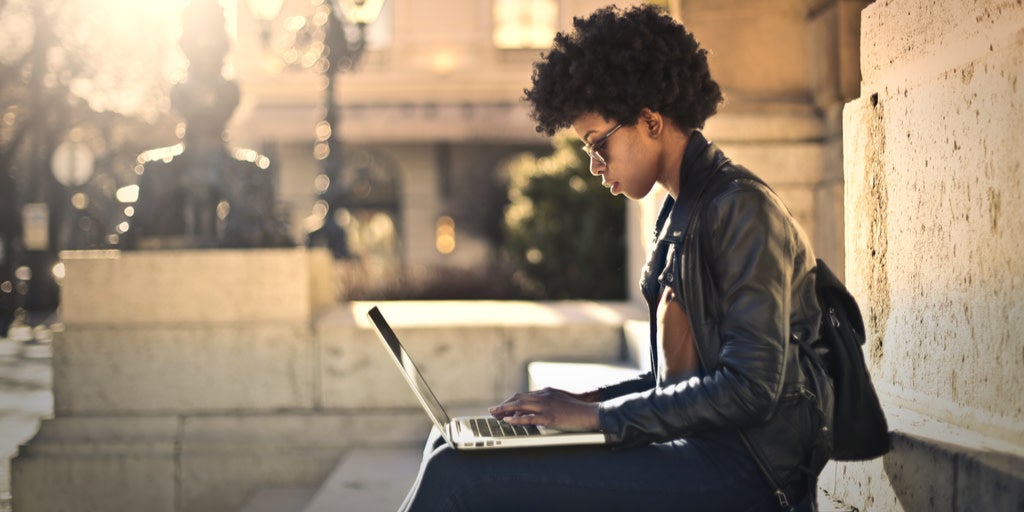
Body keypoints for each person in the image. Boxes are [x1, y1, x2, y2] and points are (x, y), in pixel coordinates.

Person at [399, 5, 833, 511]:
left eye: (597, 144)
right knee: (448, 445)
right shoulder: (683, 210)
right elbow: (682, 382)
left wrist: (597, 419)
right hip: (702, 451)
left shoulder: (740, 209)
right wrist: (581, 404)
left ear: (649, 120)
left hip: (748, 474)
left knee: (458, 473)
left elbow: (751, 387)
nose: (594, 166)